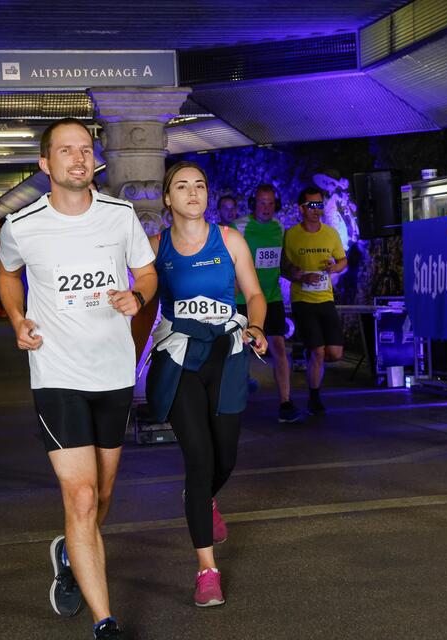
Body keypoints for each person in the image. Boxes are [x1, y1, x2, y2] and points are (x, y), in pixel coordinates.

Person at [0, 117, 156, 640]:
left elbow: (147, 272)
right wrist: (18, 318)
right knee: (83, 497)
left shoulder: (119, 216)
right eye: (66, 151)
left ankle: (70, 549)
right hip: (57, 374)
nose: (78, 159)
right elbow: (7, 272)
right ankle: (104, 622)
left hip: (112, 373)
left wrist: (138, 296)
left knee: (103, 494)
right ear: (45, 165)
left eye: (85, 149)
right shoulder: (21, 225)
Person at [144, 161, 267, 607]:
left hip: (227, 354)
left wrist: (256, 325)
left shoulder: (230, 240)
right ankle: (206, 570)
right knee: (199, 460)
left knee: (225, 457)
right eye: (182, 186)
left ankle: (201, 499)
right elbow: (141, 299)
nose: (193, 192)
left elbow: (253, 293)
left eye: (199, 185)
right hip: (179, 358)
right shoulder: (156, 247)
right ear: (167, 198)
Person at [233, 184, 303, 423]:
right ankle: (233, 401)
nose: (266, 208)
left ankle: (286, 402)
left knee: (279, 348)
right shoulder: (240, 227)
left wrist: (295, 273)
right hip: (243, 299)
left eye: (271, 203)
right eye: (262, 203)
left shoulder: (279, 227)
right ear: (254, 204)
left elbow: (278, 262)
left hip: (271, 297)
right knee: (239, 351)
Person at [281, 186, 347, 415]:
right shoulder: (291, 235)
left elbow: (342, 261)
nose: (317, 210)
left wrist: (334, 267)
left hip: (325, 298)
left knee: (335, 354)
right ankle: (314, 397)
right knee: (319, 351)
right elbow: (284, 267)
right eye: (312, 205)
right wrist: (298, 275)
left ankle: (311, 360)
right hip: (303, 301)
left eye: (320, 205)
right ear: (302, 208)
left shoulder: (330, 233)